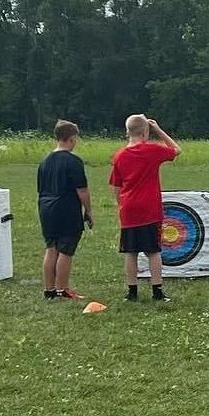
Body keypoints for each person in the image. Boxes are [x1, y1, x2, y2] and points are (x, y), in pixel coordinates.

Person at [108, 113, 180, 302]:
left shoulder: (119, 156)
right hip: (149, 208)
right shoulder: (152, 151)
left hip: (129, 209)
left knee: (130, 252)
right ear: (145, 131)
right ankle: (157, 291)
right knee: (153, 251)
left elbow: (116, 186)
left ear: (127, 132)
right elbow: (176, 150)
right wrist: (158, 130)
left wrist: (121, 205)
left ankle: (132, 292)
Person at [37, 119, 93, 300]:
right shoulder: (73, 161)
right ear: (72, 138)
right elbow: (82, 190)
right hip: (66, 208)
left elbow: (40, 188)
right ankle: (62, 290)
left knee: (51, 246)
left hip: (46, 208)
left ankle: (49, 289)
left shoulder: (45, 160)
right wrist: (88, 210)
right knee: (66, 249)